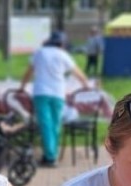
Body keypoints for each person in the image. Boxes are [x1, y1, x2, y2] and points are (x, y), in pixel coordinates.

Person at [19, 30, 90, 167]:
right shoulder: (63, 55)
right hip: (58, 94)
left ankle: (50, 157)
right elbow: (77, 72)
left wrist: (22, 87)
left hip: (41, 93)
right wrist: (86, 85)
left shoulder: (39, 52)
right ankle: (52, 154)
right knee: (56, 124)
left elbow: (29, 72)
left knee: (45, 124)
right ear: (62, 43)